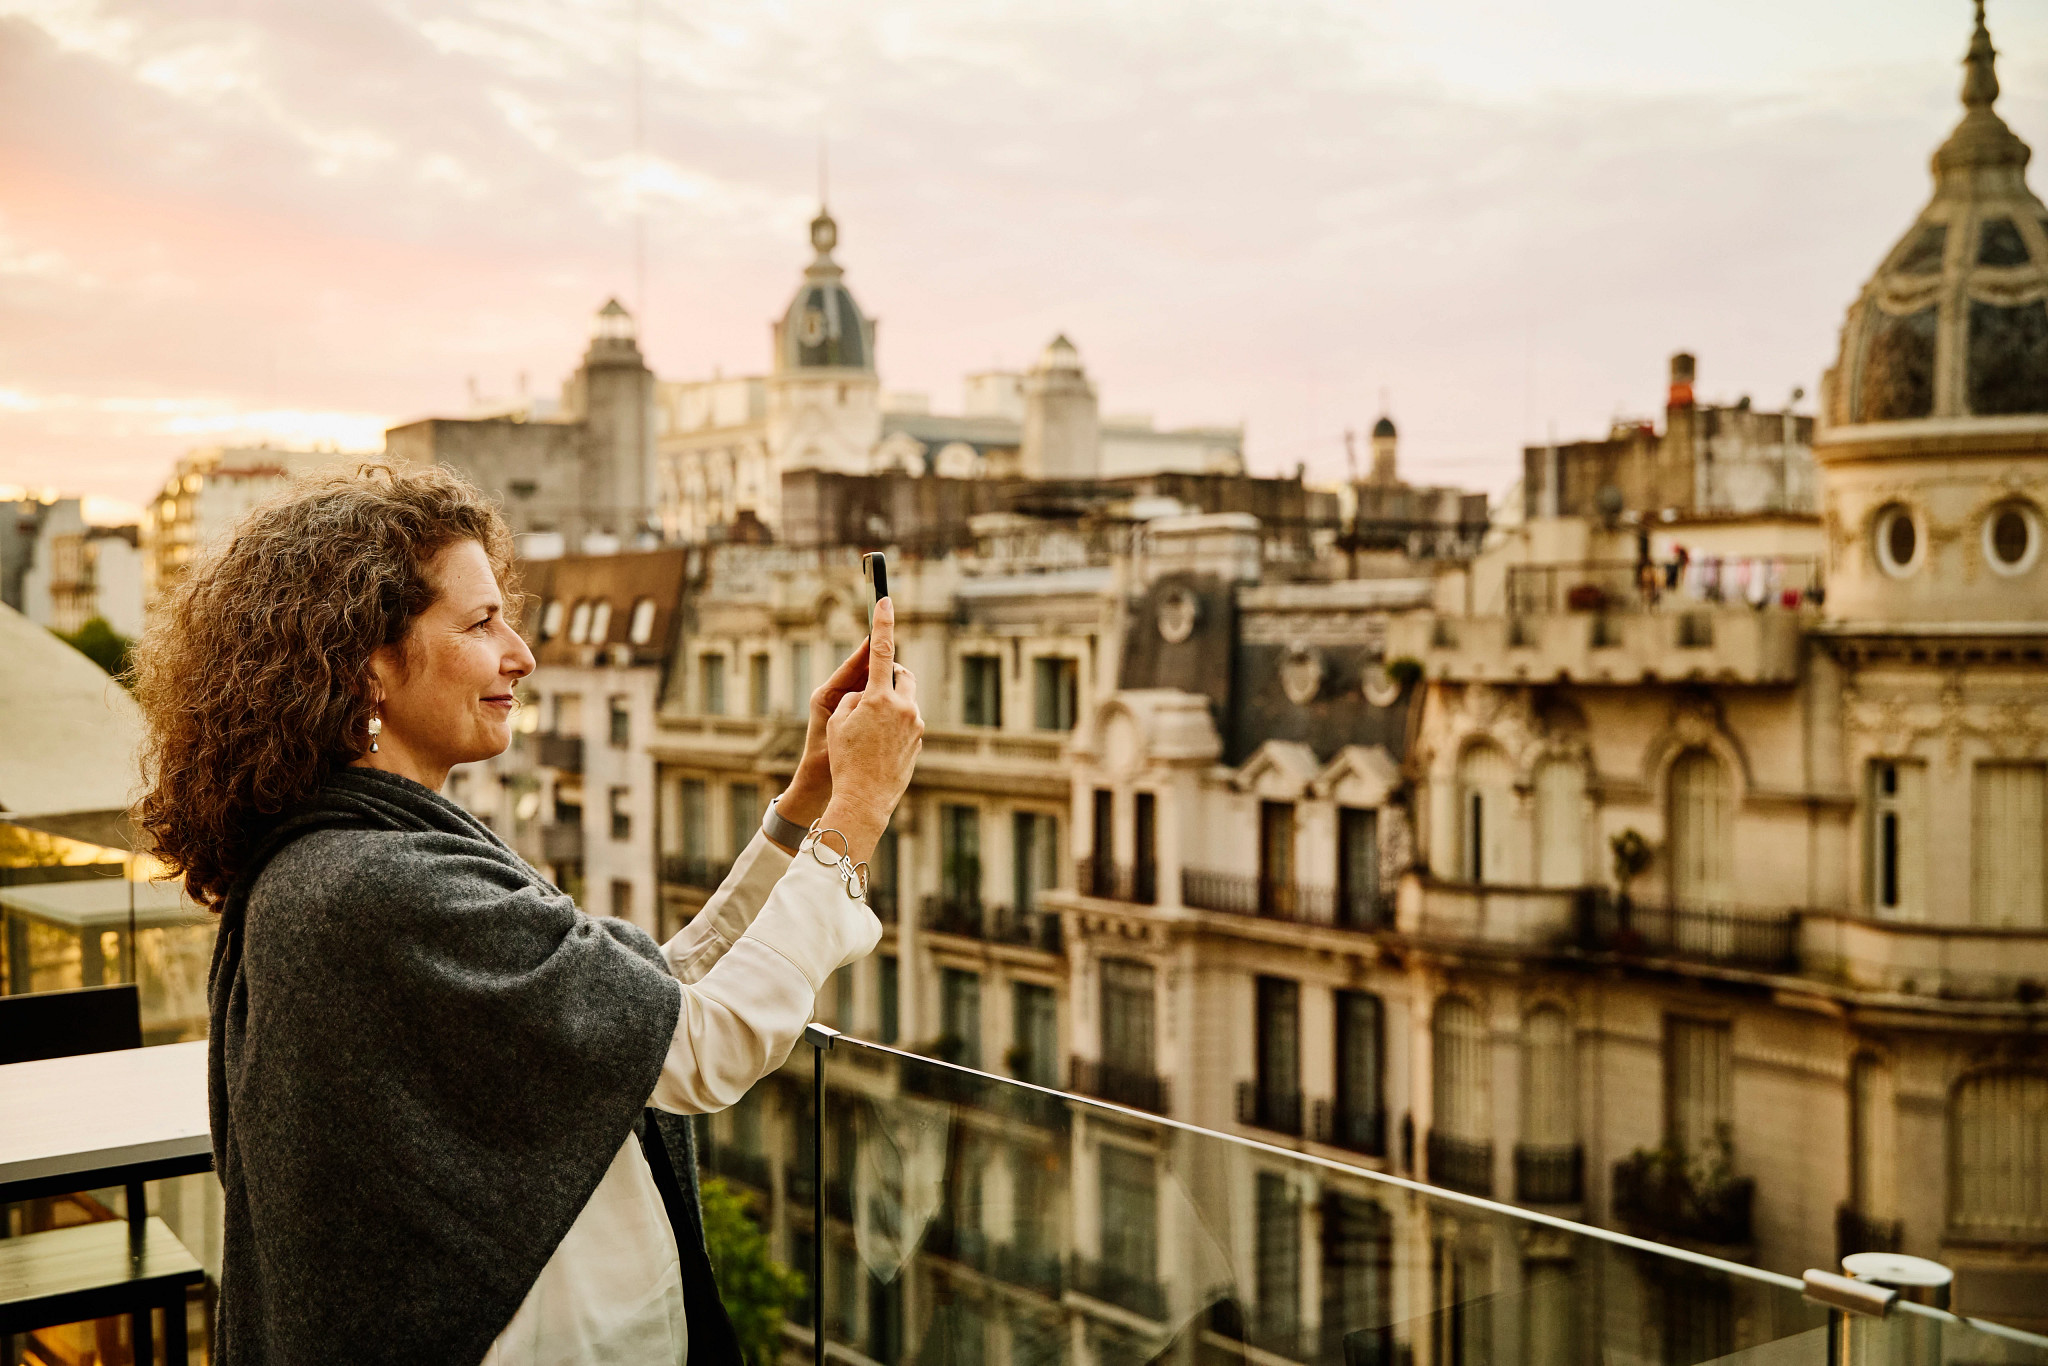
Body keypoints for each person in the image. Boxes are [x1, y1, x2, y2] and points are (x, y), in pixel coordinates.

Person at [131, 464, 924, 1365]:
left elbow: (640, 998)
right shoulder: (371, 886)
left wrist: (806, 801)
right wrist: (861, 809)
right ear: (365, 668)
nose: (522, 652)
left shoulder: (353, 855)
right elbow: (704, 1046)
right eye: (480, 624)